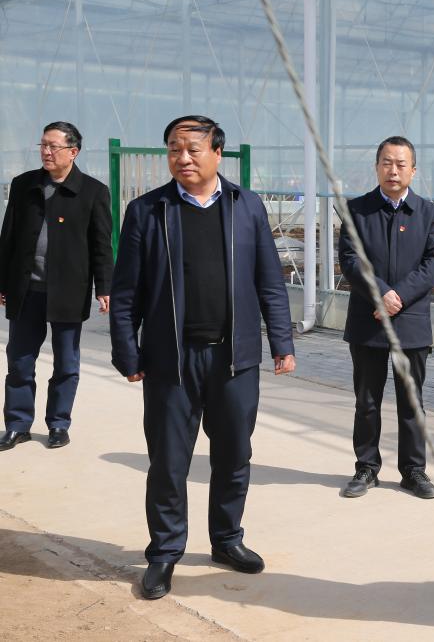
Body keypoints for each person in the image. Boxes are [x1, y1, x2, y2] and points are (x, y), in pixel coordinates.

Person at [109, 115, 295, 600]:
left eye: (193, 148)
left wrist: (282, 342)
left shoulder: (246, 206)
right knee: (168, 461)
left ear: (217, 152)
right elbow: (126, 291)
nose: (183, 158)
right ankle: (165, 552)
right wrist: (127, 350)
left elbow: (269, 281)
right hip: (170, 360)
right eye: (174, 149)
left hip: (234, 359)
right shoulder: (148, 210)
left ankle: (227, 540)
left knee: (234, 454)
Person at [337, 136, 434, 500]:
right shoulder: (357, 211)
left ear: (413, 170)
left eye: (400, 164)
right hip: (368, 320)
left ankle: (413, 471)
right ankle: (366, 468)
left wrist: (399, 296)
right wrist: (381, 293)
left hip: (411, 321)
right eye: (386, 162)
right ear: (377, 167)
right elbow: (350, 259)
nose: (393, 170)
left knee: (411, 401)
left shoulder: (428, 213)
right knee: (367, 400)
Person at [0, 121, 112, 451]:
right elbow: (8, 236)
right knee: (19, 361)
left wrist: (104, 287)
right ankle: (17, 424)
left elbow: (102, 245)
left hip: (68, 291)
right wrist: (3, 281)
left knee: (66, 363)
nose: (46, 152)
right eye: (43, 145)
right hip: (27, 289)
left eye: (53, 146)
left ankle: (59, 424)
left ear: (73, 152)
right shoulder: (24, 185)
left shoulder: (93, 191)